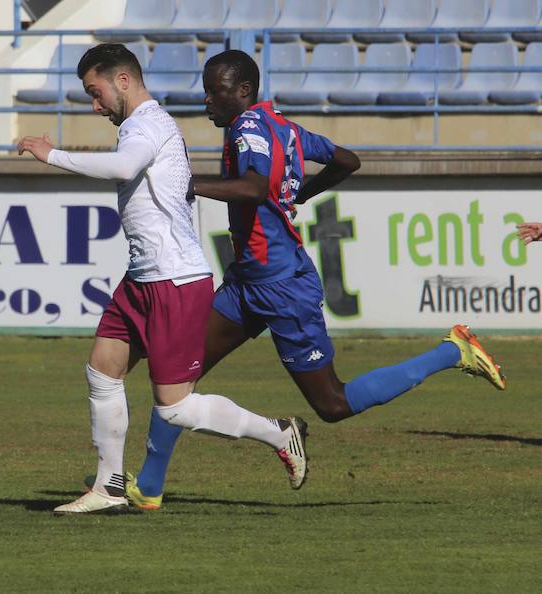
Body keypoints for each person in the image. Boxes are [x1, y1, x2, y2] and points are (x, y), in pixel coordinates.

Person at [123, 49, 507, 510]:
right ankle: (148, 487)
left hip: (283, 287)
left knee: (333, 405)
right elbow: (348, 160)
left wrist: (189, 186)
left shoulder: (247, 128)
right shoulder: (285, 127)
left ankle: (452, 351)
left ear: (243, 92)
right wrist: (300, 191)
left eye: (215, 91)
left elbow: (252, 187)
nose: (206, 100)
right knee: (176, 377)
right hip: (248, 282)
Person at [17, 44, 310, 514]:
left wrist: (53, 155)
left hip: (174, 279)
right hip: (142, 277)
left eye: (96, 93)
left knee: (174, 408)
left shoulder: (148, 123)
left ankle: (279, 432)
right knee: (102, 371)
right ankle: (108, 487)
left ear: (124, 81)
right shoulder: (138, 125)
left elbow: (123, 167)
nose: (95, 106)